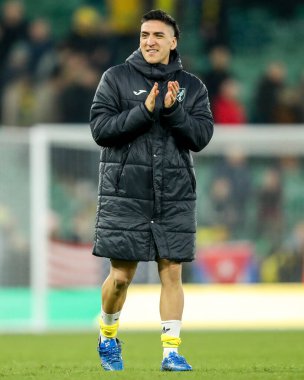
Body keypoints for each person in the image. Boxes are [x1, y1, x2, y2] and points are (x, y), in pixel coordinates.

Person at [89, 9, 214, 372]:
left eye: (158, 35)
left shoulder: (193, 87)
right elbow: (101, 129)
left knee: (171, 272)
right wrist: (145, 110)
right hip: (126, 193)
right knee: (121, 278)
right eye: (145, 35)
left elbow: (201, 137)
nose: (150, 41)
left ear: (173, 42)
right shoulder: (115, 79)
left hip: (174, 192)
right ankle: (108, 335)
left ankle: (171, 352)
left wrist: (174, 111)